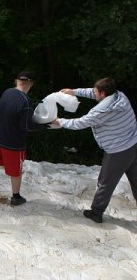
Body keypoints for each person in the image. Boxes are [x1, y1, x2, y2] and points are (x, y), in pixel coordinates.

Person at [51, 77, 137, 223]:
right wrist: (74, 92)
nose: (93, 93)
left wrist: (60, 122)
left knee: (106, 182)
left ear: (103, 94)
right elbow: (92, 92)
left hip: (118, 151)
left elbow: (81, 122)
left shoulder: (103, 111)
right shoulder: (120, 96)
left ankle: (96, 212)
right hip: (133, 143)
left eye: (96, 91)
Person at [0, 71, 45, 205]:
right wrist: (45, 125)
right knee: (15, 171)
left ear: (16, 81)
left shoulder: (7, 92)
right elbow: (26, 126)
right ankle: (16, 197)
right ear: (31, 83)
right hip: (13, 144)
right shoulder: (26, 101)